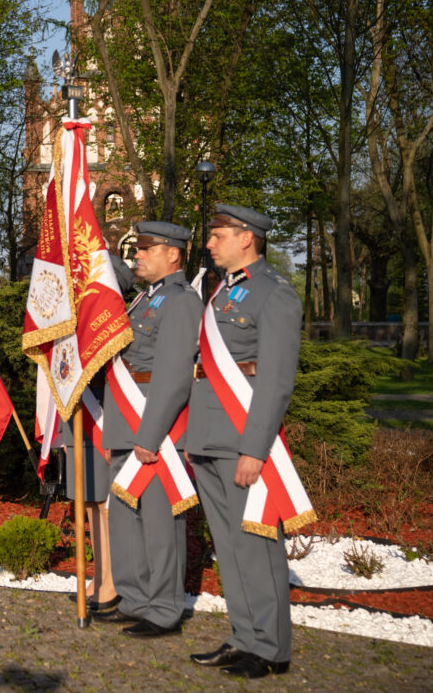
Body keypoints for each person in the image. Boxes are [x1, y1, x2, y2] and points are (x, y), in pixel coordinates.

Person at [186, 204, 301, 678]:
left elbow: (274, 381)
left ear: (246, 238)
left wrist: (255, 449)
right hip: (209, 434)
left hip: (241, 437)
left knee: (256, 543)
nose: (210, 243)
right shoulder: (221, 294)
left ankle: (272, 648)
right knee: (229, 545)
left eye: (218, 235)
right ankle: (244, 635)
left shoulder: (273, 294)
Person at [94, 221, 201, 638]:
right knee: (124, 517)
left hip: (155, 427)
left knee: (159, 521)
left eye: (146, 248)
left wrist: (149, 434)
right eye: (137, 249)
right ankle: (135, 598)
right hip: (125, 419)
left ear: (172, 254)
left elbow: (174, 375)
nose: (137, 254)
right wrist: (113, 431)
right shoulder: (143, 300)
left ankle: (164, 607)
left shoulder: (180, 301)